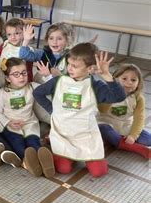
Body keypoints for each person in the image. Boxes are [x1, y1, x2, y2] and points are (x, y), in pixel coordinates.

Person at [33, 43, 127, 178]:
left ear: (90, 68)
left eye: (75, 66)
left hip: (86, 136)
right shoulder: (59, 81)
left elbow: (119, 96)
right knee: (63, 169)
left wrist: (107, 75)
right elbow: (38, 93)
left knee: (99, 172)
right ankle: (50, 150)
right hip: (63, 134)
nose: (69, 68)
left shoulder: (96, 86)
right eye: (69, 64)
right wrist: (53, 110)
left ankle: (58, 148)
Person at [0, 58, 55, 177]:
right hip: (12, 127)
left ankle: (46, 165)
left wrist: (48, 76)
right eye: (16, 74)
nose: (21, 77)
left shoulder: (32, 87)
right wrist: (8, 122)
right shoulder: (3, 92)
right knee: (18, 144)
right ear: (7, 78)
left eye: (24, 73)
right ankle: (28, 163)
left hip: (30, 124)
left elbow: (50, 90)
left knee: (34, 143)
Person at [97, 64, 150, 159]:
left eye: (133, 80)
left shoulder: (138, 98)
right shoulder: (107, 91)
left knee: (148, 139)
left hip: (125, 126)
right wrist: (113, 95)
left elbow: (139, 118)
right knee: (106, 131)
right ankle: (136, 148)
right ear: (115, 80)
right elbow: (102, 110)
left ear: (139, 83)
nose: (129, 82)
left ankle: (116, 142)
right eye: (124, 79)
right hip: (107, 124)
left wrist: (133, 136)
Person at [0, 18, 33, 87]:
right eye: (9, 34)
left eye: (17, 33)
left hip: (17, 83)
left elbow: (29, 69)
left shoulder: (28, 49)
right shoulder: (6, 43)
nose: (13, 37)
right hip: (1, 79)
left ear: (24, 33)